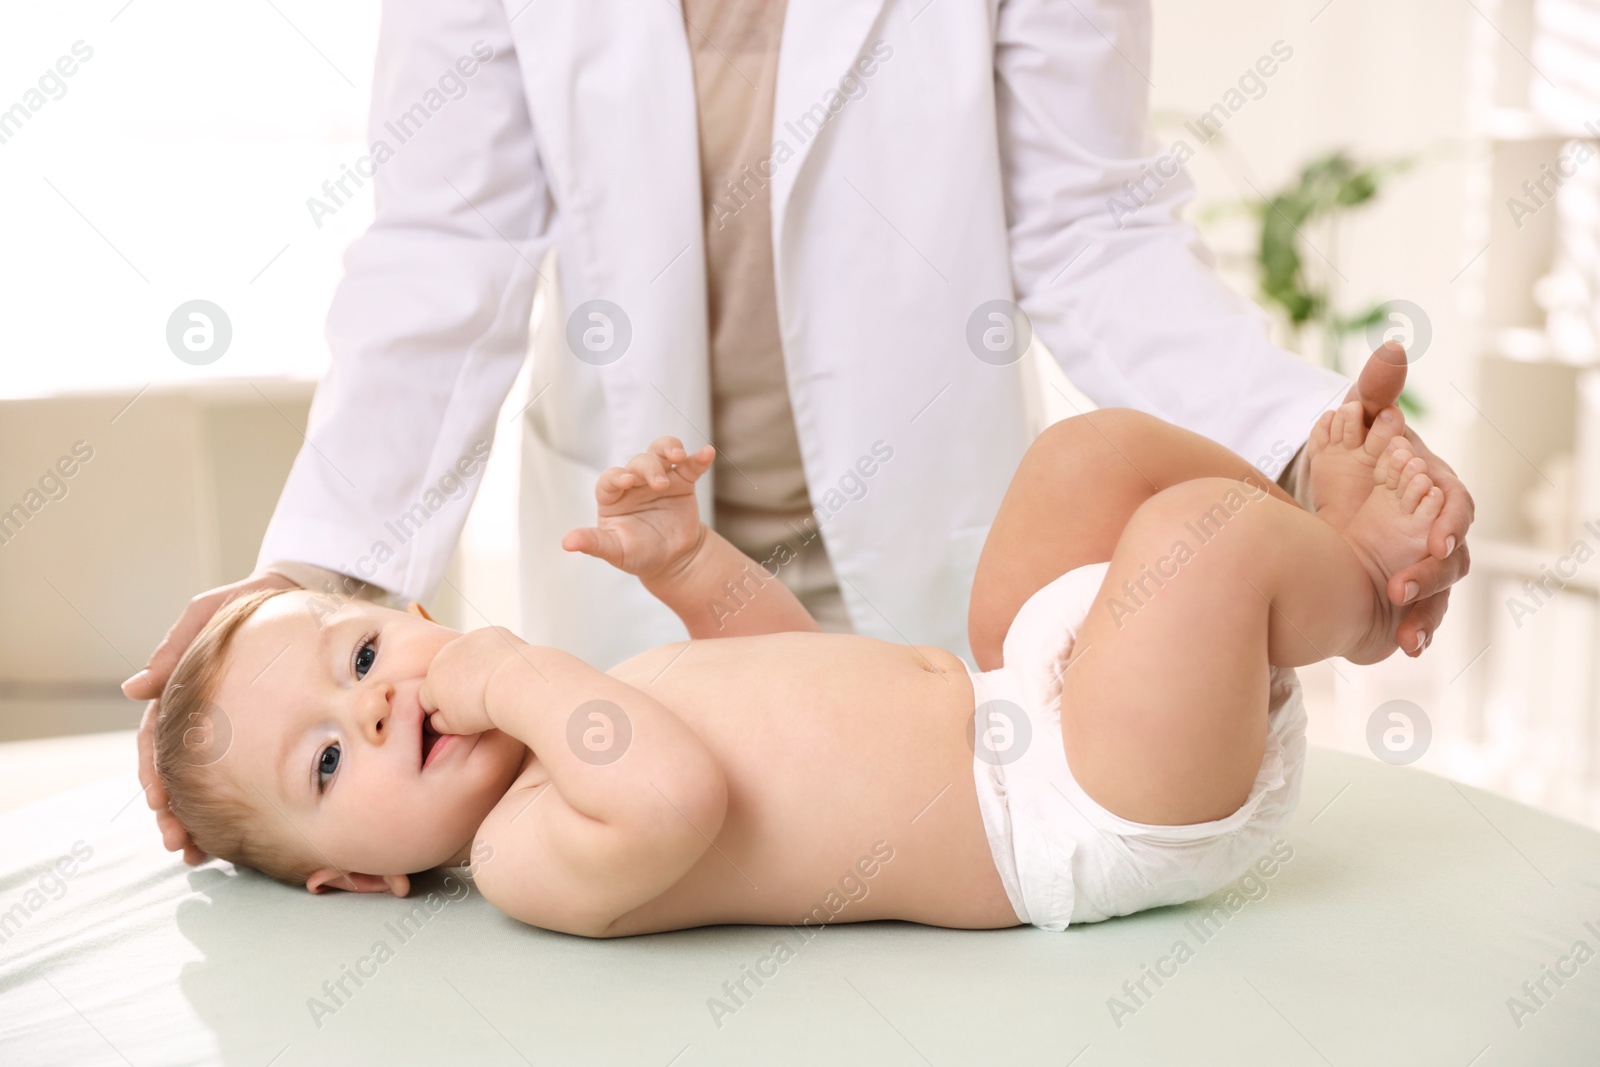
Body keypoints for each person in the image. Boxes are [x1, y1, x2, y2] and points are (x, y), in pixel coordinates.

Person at [127, 1, 1473, 867]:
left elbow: (1089, 221)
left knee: (1116, 481)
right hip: (650, 571)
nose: (370, 691)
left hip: (947, 555)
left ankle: (1335, 568)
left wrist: (1306, 445)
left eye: (358, 669)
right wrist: (319, 580)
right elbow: (447, 246)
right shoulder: (537, 809)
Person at [151, 400, 1438, 935]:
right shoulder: (523, 855)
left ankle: (1297, 502)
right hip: (1082, 806)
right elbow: (678, 798)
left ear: (419, 611)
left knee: (1083, 459)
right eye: (327, 756)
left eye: (363, 652)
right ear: (362, 877)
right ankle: (1362, 593)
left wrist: (687, 566)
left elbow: (789, 670)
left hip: (1017, 698)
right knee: (1186, 542)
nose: (374, 702)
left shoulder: (572, 725)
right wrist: (502, 675)